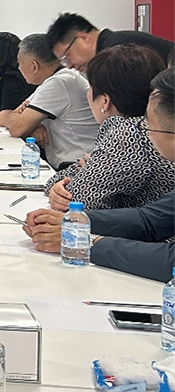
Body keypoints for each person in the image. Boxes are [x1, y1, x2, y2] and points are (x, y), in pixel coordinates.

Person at [26, 67, 175, 282]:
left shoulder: (126, 134)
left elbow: (170, 261)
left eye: (150, 126)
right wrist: (75, 222)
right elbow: (151, 220)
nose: (146, 133)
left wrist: (86, 243)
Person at [35, 45, 173, 211]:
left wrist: (71, 179)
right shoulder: (147, 126)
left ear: (105, 101)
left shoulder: (128, 134)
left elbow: (78, 201)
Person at [0, 34, 98, 170]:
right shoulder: (58, 78)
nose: (19, 68)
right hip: (74, 161)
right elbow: (10, 118)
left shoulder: (60, 82)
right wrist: (33, 125)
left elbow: (16, 129)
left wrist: (28, 123)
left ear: (34, 66)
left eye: (20, 63)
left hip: (77, 165)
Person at [47, 12, 175, 73]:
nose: (69, 66)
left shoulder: (116, 53)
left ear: (83, 38)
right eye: (63, 62)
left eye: (66, 56)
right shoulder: (115, 41)